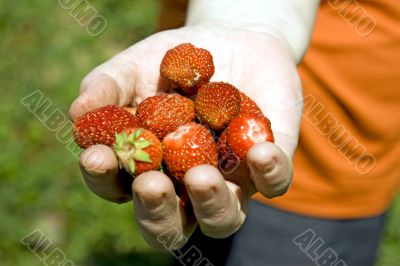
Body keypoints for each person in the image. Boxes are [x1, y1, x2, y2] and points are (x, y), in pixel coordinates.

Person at [69, 0, 400, 265]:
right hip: (200, 170)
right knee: (196, 232)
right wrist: (238, 26)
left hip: (333, 161)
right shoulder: (186, 110)